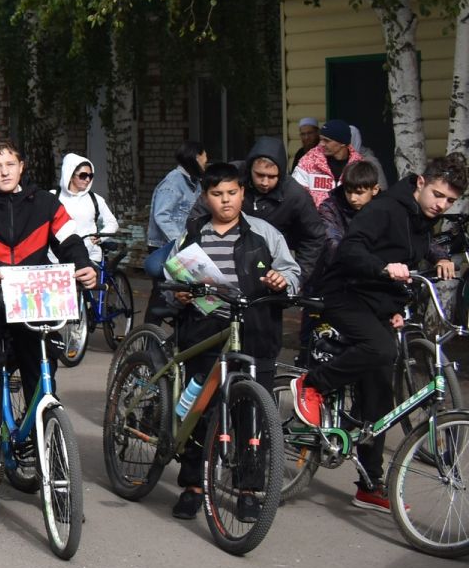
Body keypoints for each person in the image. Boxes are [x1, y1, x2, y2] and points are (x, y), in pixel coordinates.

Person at [293, 155, 465, 511]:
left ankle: (370, 485)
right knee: (381, 349)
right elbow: (350, 251)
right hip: (344, 295)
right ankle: (313, 383)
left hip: (376, 304)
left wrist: (435, 262)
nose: (441, 205)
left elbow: (409, 256)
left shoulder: (420, 218)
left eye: (449, 201)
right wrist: (384, 268)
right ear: (420, 182)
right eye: (438, 195)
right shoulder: (386, 209)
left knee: (380, 401)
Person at [0, 139, 98, 471]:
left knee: (40, 359)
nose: (4, 171)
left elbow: (70, 242)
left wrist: (84, 266)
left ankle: (45, 438)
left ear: (22, 167)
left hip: (35, 298)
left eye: (10, 164)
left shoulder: (46, 204)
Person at [165, 162, 300, 520]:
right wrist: (179, 295)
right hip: (205, 332)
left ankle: (248, 490)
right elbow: (172, 274)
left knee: (252, 415)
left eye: (232, 193)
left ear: (243, 193)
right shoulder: (192, 233)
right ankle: (193, 486)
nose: (225, 201)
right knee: (201, 410)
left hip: (256, 333)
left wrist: (281, 281)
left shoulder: (264, 234)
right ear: (205, 197)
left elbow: (292, 272)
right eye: (216, 194)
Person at [242, 137, 328, 282]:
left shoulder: (295, 194)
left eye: (271, 177)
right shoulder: (232, 180)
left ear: (280, 174)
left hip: (273, 272)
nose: (264, 182)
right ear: (249, 168)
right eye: (259, 175)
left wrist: (297, 277)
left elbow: (314, 237)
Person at [147, 141, 209, 275]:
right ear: (196, 158)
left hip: (184, 244)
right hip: (165, 245)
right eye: (205, 158)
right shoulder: (173, 182)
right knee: (165, 290)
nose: (206, 162)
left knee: (182, 288)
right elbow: (162, 215)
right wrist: (180, 241)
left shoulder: (195, 182)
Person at [291, 119, 353, 208]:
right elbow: (295, 195)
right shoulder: (308, 161)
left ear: (342, 143)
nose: (322, 144)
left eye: (326, 141)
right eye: (321, 140)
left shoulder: (358, 165)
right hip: (315, 220)